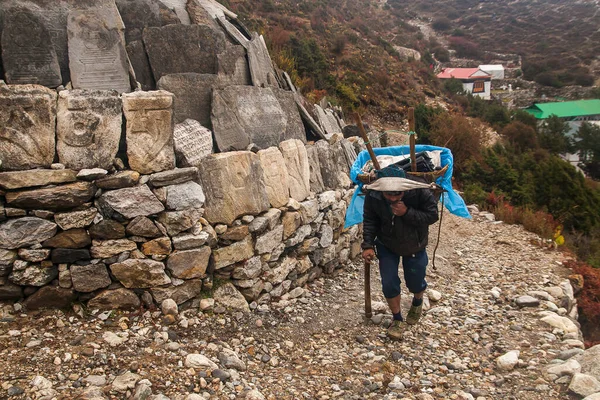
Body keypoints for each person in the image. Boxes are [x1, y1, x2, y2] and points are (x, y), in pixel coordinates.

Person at [361, 165, 439, 339]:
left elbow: (432, 215)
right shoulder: (373, 196)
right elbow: (370, 220)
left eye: (398, 194)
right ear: (381, 190)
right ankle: (397, 318)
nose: (393, 197)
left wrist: (407, 212)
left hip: (415, 244)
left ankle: (417, 301)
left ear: (405, 188)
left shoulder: (420, 191)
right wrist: (367, 245)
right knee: (388, 283)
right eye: (389, 194)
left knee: (416, 281)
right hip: (386, 244)